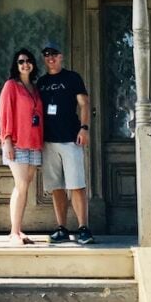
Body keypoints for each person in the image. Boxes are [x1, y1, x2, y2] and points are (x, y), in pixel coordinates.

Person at [37, 41, 94, 245]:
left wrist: (84, 128)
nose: (50, 58)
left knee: (77, 184)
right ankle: (61, 227)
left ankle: (83, 228)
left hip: (71, 139)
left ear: (62, 56)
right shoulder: (41, 83)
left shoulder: (72, 78)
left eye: (54, 54)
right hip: (47, 142)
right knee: (56, 187)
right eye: (46, 54)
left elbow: (84, 103)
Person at [0, 47, 44, 246]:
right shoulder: (11, 86)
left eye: (28, 60)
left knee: (26, 187)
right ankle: (14, 232)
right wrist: (6, 139)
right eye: (21, 61)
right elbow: (5, 113)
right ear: (16, 66)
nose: (25, 64)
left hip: (34, 143)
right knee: (21, 185)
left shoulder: (35, 88)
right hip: (16, 143)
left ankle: (19, 228)